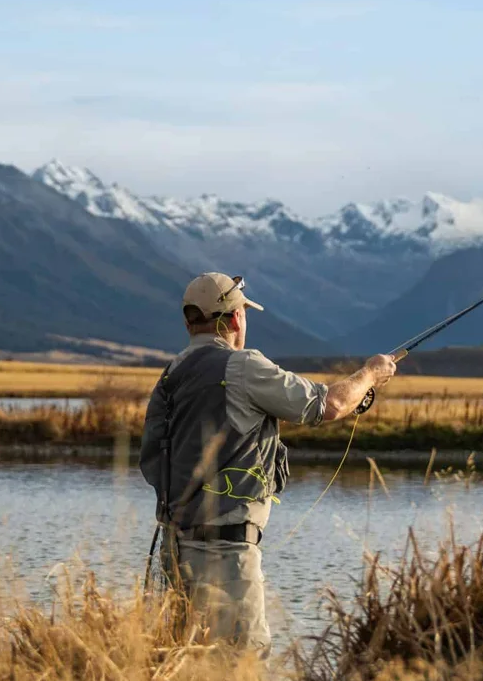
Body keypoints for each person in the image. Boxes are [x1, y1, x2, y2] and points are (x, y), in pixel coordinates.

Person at [139, 272, 397, 651]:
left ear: (188, 321)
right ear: (235, 318)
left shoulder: (171, 375)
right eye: (243, 311)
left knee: (187, 674)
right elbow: (331, 404)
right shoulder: (243, 367)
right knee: (242, 674)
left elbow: (150, 461)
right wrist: (371, 374)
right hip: (226, 558)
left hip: (174, 552)